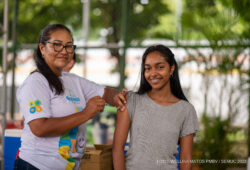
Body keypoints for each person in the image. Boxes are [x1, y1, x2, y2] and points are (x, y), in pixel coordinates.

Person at [14, 24, 127, 170]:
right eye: (57, 45)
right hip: (35, 166)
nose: (64, 51)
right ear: (42, 48)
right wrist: (86, 113)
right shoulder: (35, 82)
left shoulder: (73, 81)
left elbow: (106, 93)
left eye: (68, 46)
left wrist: (120, 96)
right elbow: (39, 128)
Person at [112, 45, 199, 170]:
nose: (153, 73)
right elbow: (117, 149)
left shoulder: (186, 110)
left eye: (160, 67)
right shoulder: (131, 100)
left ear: (171, 69)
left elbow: (186, 159)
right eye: (148, 68)